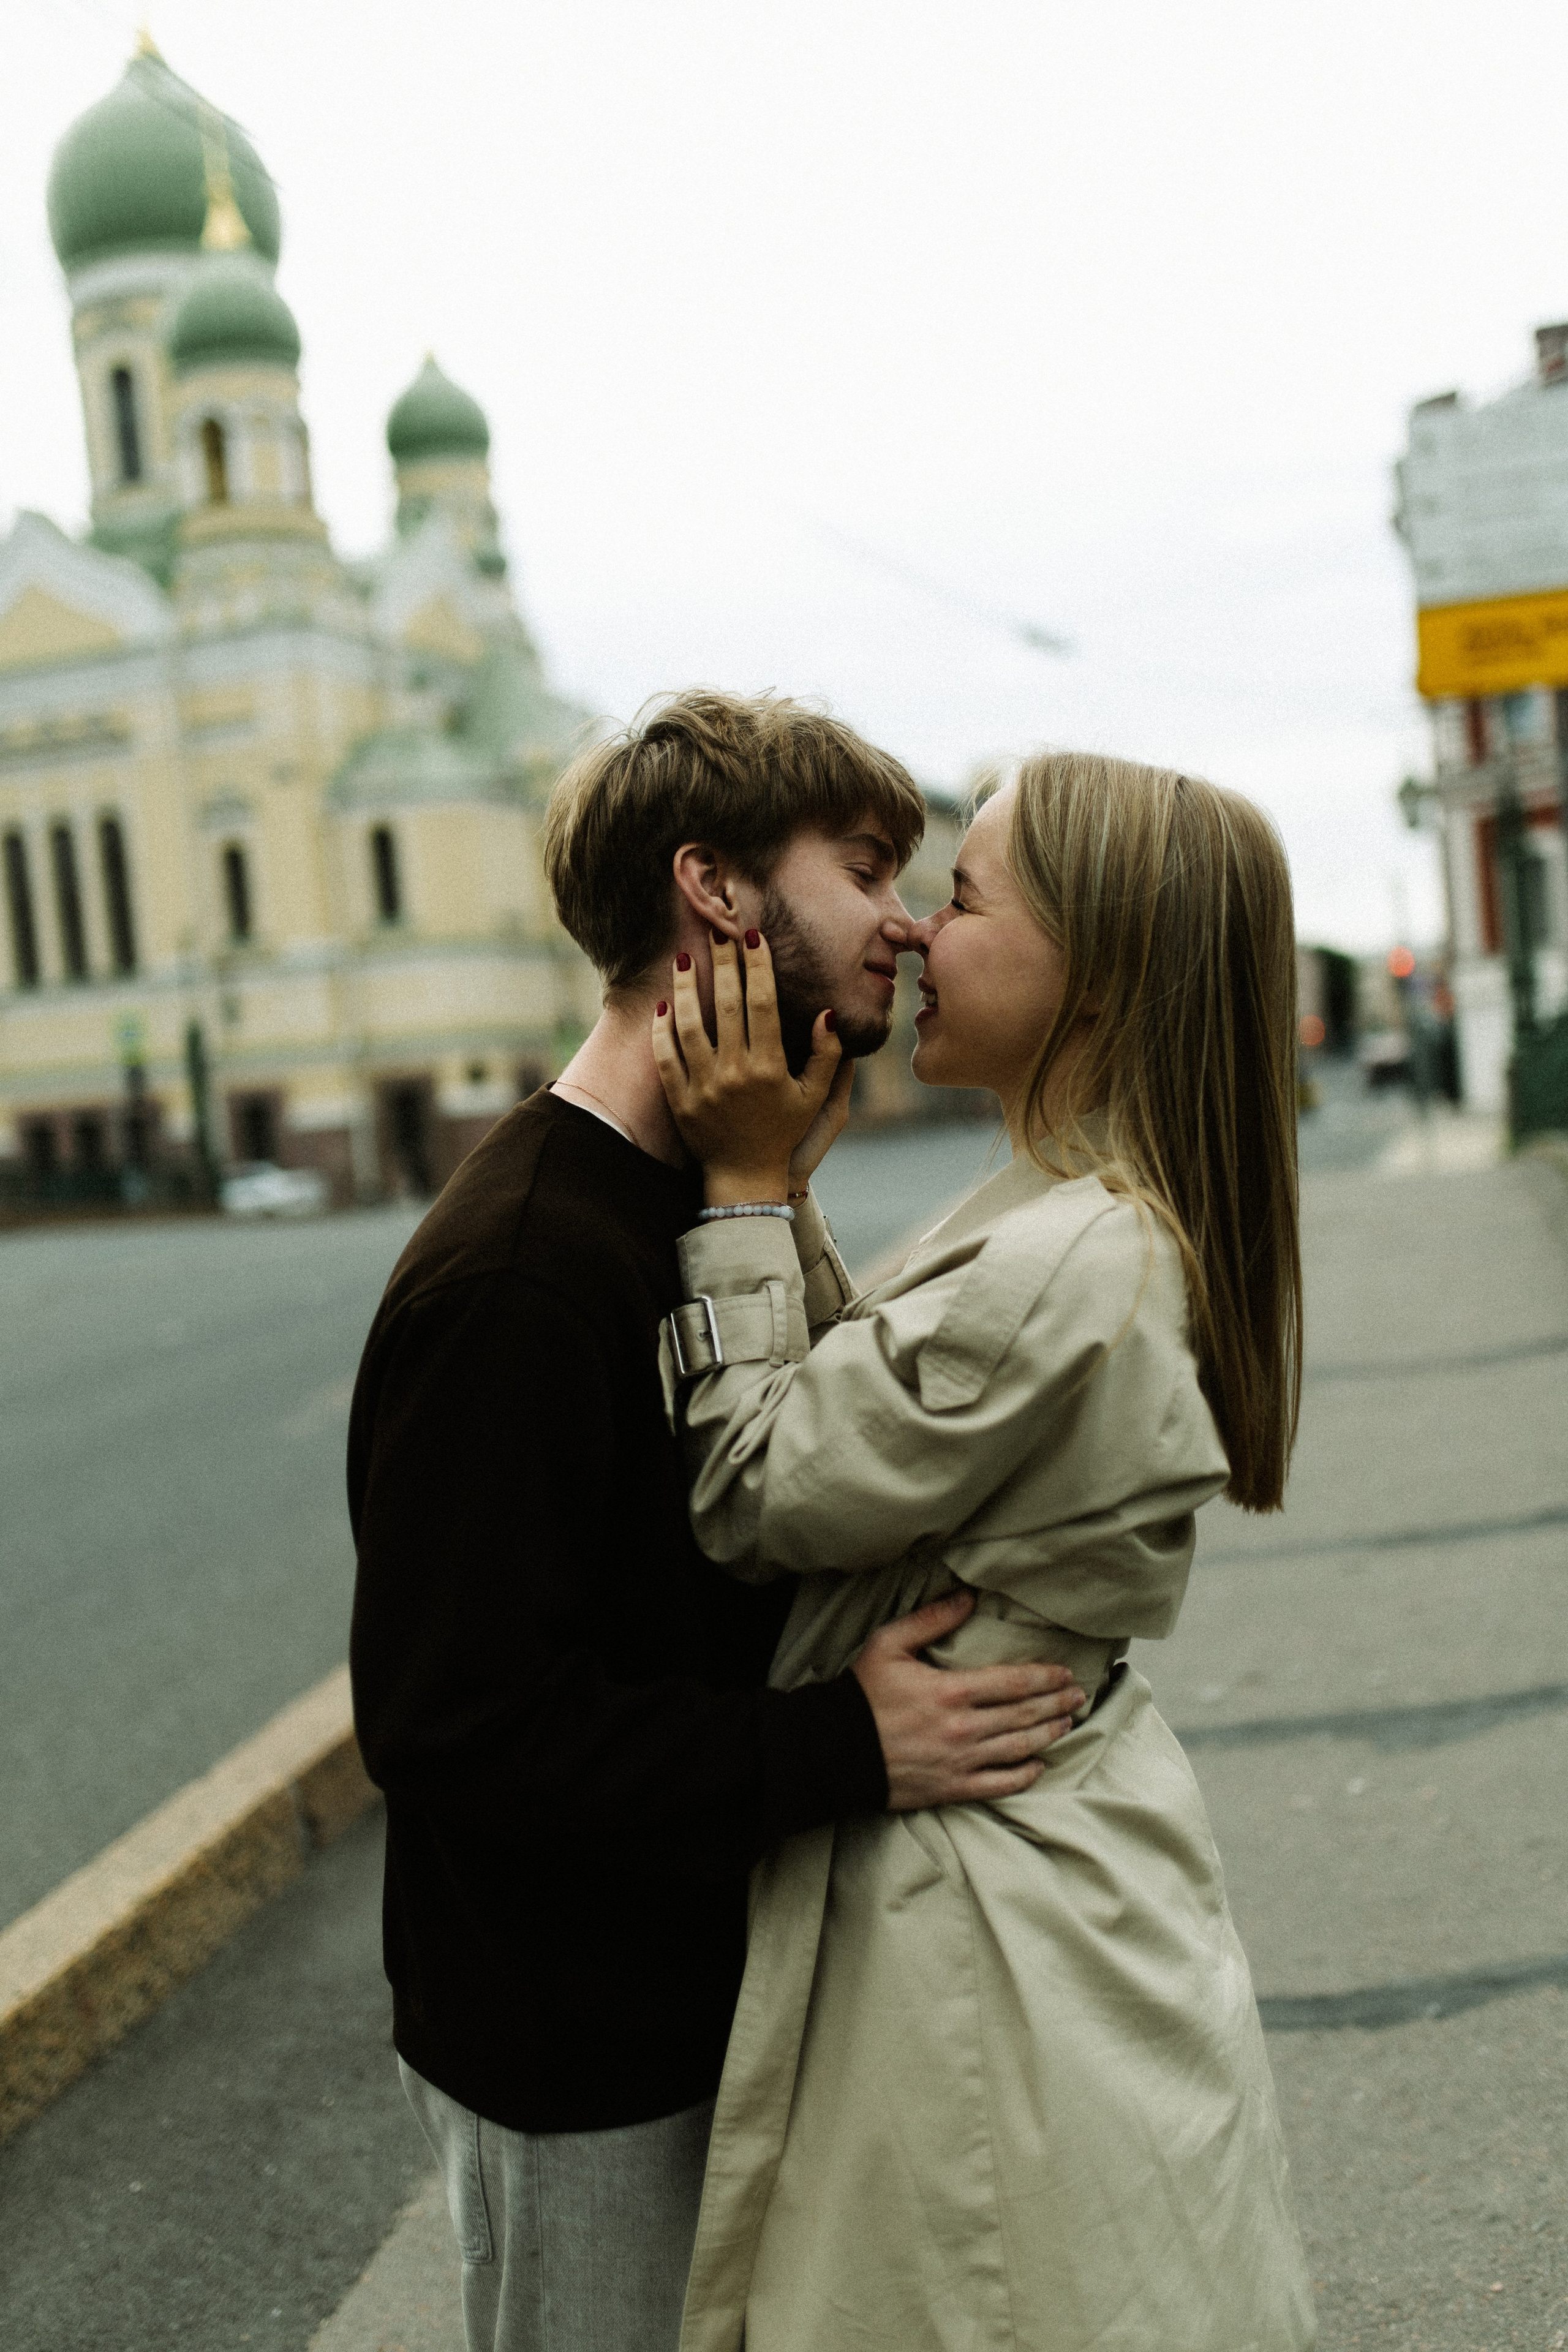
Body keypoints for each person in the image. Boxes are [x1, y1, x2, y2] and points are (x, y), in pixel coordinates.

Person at [346, 691, 1086, 2352]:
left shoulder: (702, 1195)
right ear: (719, 893)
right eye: (868, 867)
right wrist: (843, 1749)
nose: (906, 919)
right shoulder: (523, 1272)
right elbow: (450, 1727)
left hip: (715, 2003)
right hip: (583, 2066)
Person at [654, 750, 1317, 2352]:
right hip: (1048, 1864)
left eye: (959, 899)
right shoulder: (1083, 1213)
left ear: (1093, 967)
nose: (915, 940)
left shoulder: (1061, 1256)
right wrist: (792, 1200)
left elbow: (756, 1484)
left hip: (979, 1933)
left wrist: (740, 1193)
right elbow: (877, 1413)